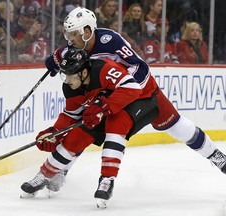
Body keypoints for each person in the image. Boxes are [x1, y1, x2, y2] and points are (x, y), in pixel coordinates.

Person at [23, 6, 226, 204]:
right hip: (110, 95)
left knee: (178, 126)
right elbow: (62, 53)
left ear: (87, 31)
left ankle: (216, 156)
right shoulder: (75, 46)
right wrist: (53, 60)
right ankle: (60, 170)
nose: (70, 39)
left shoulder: (109, 41)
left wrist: (121, 91)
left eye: (73, 34)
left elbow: (140, 67)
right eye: (68, 34)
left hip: (142, 92)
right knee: (87, 124)